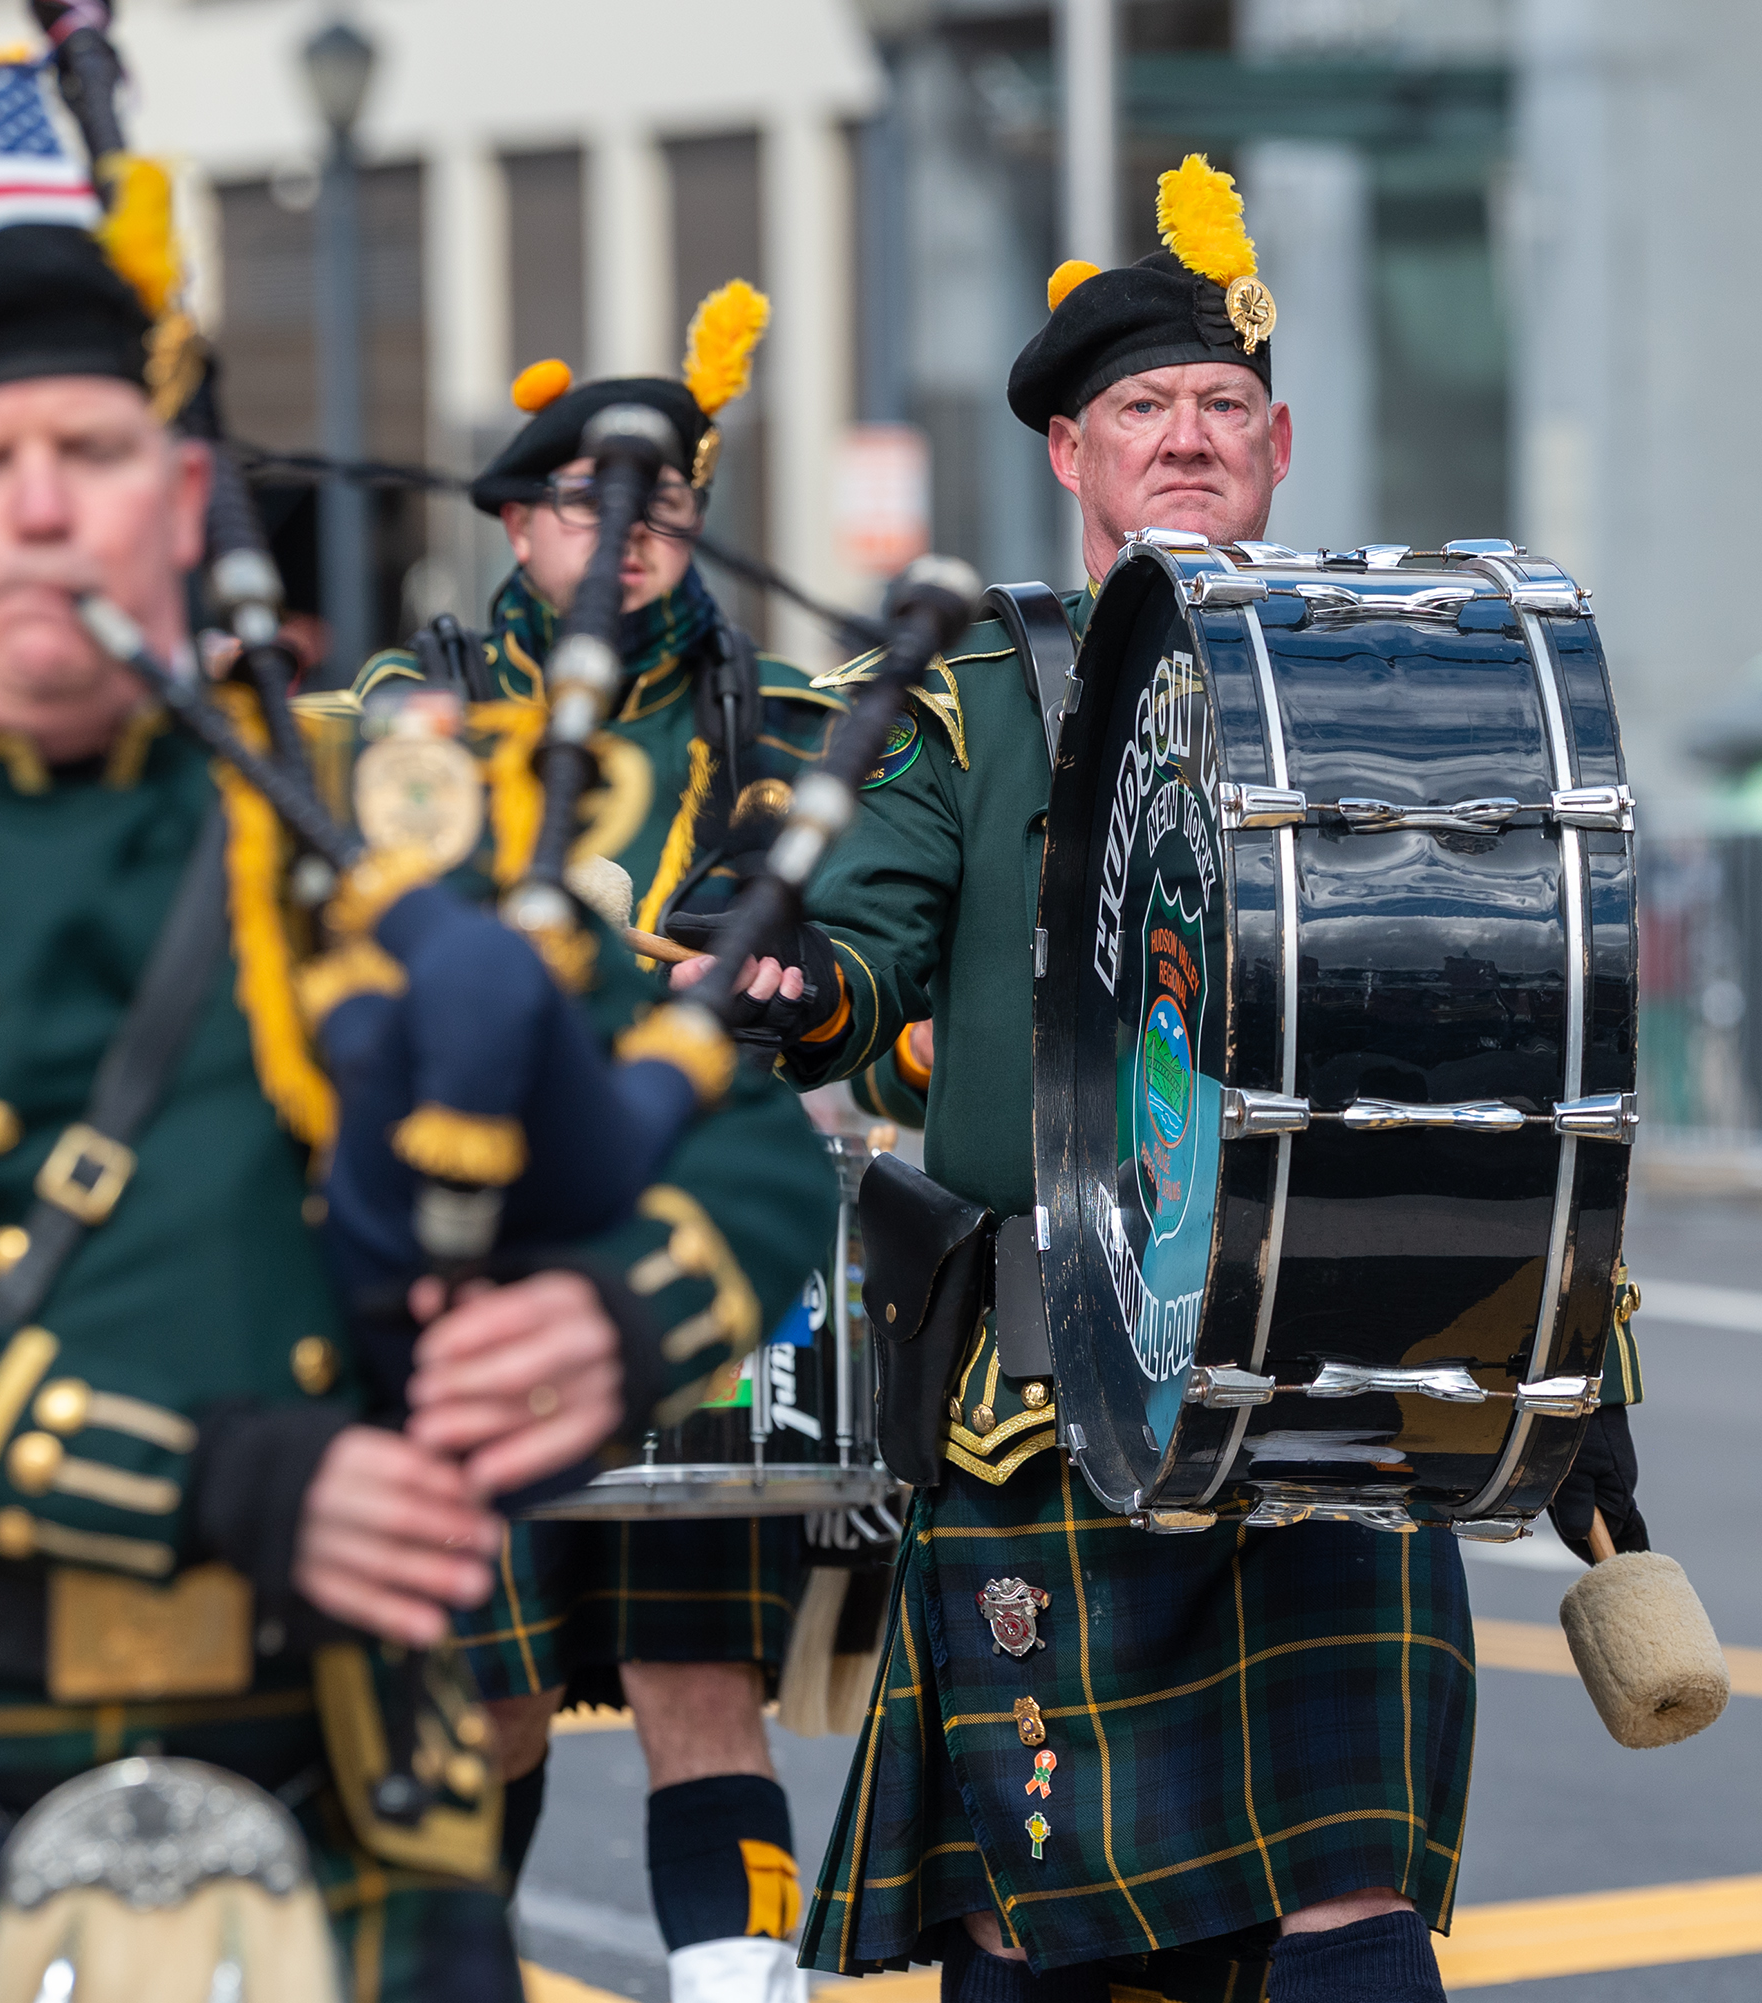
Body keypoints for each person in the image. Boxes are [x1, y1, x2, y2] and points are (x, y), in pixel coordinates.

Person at [0, 220, 826, 1999]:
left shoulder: (372, 821)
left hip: (355, 1786)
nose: (44, 510)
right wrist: (219, 1473)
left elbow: (733, 1139)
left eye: (94, 454)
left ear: (184, 494)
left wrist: (610, 1314)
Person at [685, 154, 1642, 2002]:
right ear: (1070, 453)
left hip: (1339, 1374)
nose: (1187, 438)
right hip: (1056, 1389)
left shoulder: (1402, 675)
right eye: (1143, 409)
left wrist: (1576, 1347)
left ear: (1280, 442)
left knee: (1353, 1893)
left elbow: (1527, 1015)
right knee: (1029, 1922)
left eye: (1222, 407)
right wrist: (807, 987)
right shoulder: (973, 694)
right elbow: (865, 926)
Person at [352, 290, 857, 2003]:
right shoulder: (410, 713)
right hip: (464, 1250)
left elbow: (860, 964)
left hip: (689, 1241)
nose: (626, 542)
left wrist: (810, 980)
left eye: (664, 514)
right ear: (513, 518)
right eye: (589, 507)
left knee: (690, 1674)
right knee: (479, 1698)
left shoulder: (787, 721)